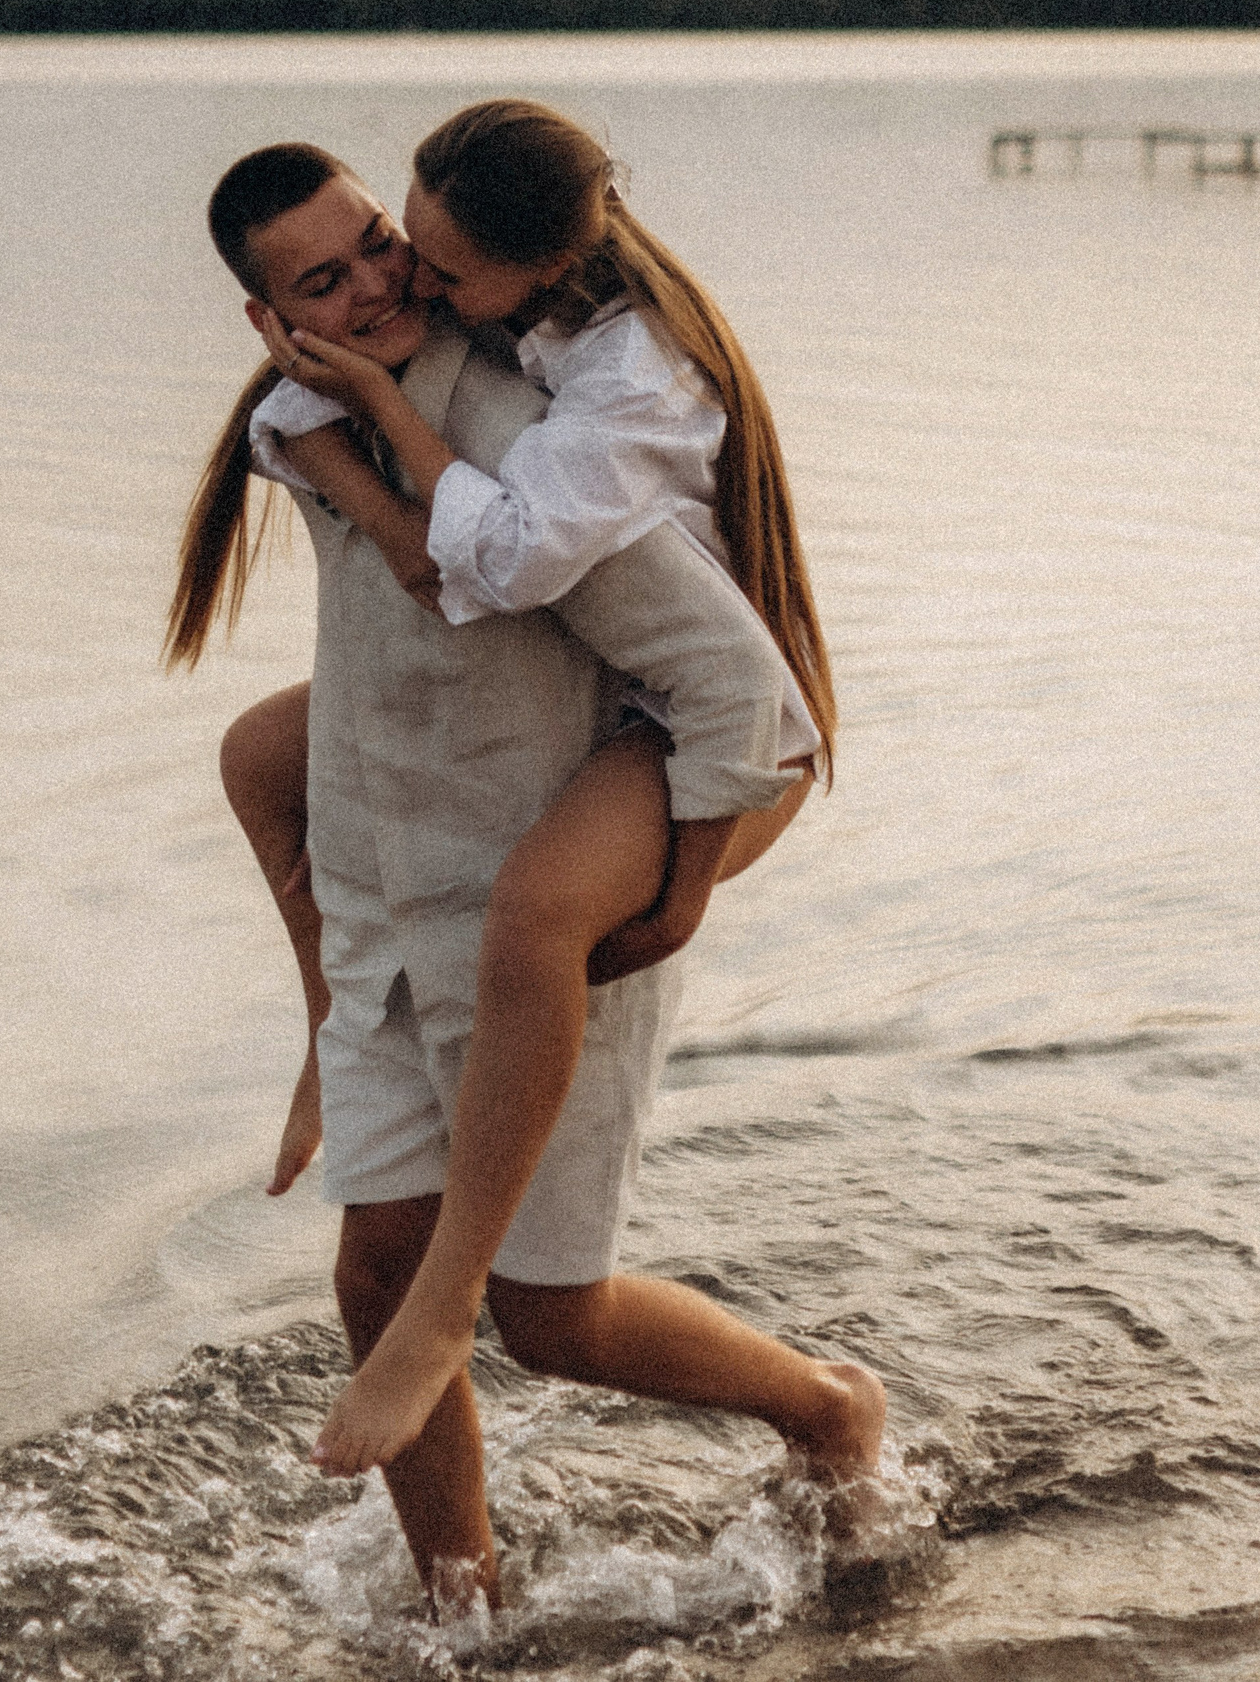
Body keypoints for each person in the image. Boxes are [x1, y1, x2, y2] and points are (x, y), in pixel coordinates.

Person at [165, 140, 883, 1615]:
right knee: (373, 1266)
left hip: (551, 909)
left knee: (550, 1318)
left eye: (377, 242)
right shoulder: (312, 417)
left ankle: (826, 1409)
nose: (380, 282)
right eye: (327, 277)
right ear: (269, 319)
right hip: (395, 905)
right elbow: (378, 638)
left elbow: (743, 693)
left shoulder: (528, 440)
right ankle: (461, 1606)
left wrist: (677, 889)